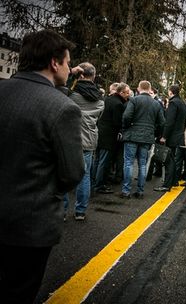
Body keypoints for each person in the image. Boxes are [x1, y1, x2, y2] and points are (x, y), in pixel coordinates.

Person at [0, 29, 85, 304]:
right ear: (54, 63)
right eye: (68, 62)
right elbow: (72, 173)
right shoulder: (62, 107)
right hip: (28, 225)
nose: (70, 69)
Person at [64, 62, 105, 221]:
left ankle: (62, 210)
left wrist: (70, 74)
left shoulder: (70, 95)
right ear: (93, 76)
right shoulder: (100, 100)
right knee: (84, 175)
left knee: (63, 174)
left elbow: (56, 90)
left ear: (80, 75)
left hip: (68, 138)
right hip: (88, 140)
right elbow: (98, 119)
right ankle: (80, 211)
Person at [121, 80, 165, 198]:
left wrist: (127, 128)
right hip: (147, 137)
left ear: (139, 89)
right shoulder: (156, 103)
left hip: (132, 134)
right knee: (143, 164)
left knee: (129, 163)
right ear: (150, 89)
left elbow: (126, 116)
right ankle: (140, 191)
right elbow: (162, 122)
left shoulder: (134, 100)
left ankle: (126, 190)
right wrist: (154, 132)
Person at [94, 82, 130, 194]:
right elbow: (117, 122)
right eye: (127, 92)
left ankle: (94, 180)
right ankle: (99, 185)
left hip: (100, 133)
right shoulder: (118, 104)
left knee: (97, 160)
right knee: (103, 162)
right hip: (109, 136)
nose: (128, 95)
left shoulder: (107, 99)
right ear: (121, 92)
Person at [153, 84, 186, 192]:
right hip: (178, 135)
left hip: (171, 136)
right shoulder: (182, 103)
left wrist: (164, 136)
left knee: (168, 161)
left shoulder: (173, 103)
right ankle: (173, 181)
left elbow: (169, 122)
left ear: (171, 92)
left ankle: (166, 185)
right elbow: (184, 121)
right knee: (172, 159)